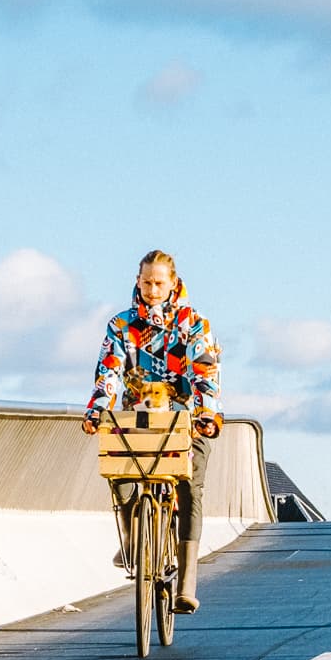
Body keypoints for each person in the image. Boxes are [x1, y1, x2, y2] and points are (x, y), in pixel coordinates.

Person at [82, 249, 222, 613]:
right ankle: (133, 541)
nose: (153, 289)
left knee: (191, 487)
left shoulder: (194, 323)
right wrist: (98, 409)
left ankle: (187, 582)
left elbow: (203, 371)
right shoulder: (121, 325)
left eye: (160, 283)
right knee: (119, 472)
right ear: (138, 281)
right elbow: (109, 370)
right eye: (147, 282)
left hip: (184, 419)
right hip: (138, 419)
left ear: (173, 283)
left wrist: (208, 413)